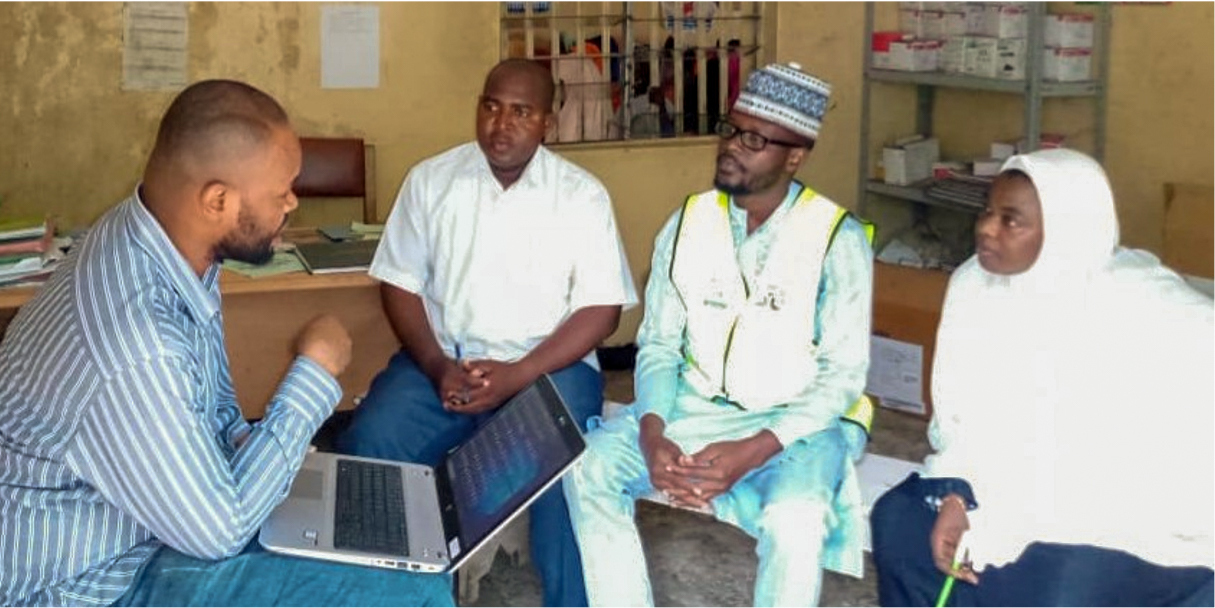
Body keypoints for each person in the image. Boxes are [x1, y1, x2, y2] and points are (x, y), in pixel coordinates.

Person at [0, 80, 454, 607]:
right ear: (217, 200)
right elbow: (217, 534)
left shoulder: (155, 243)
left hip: (135, 539)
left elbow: (215, 410)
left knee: (393, 547)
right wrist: (313, 373)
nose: (292, 202)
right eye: (280, 191)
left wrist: (248, 445)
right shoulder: (137, 348)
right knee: (408, 590)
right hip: (84, 588)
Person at [563, 62, 875, 607]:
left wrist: (752, 450)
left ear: (795, 156)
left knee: (795, 518)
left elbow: (842, 377)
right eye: (732, 129)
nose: (731, 147)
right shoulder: (687, 222)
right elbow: (659, 344)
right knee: (587, 466)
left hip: (792, 424)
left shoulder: (836, 240)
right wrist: (654, 433)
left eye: (755, 138)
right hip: (690, 409)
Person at [334, 59, 638, 607]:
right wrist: (435, 366)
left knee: (566, 473)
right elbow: (399, 285)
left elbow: (601, 311)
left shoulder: (581, 196)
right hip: (445, 364)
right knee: (370, 448)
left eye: (521, 111)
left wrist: (518, 375)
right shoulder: (432, 180)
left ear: (548, 120)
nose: (501, 124)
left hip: (548, 369)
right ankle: (396, 596)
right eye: (491, 106)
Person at [870, 148, 1214, 607]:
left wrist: (1005, 524)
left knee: (1055, 586)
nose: (987, 229)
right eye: (988, 212)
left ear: (1068, 230)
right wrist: (957, 495)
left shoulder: (1149, 310)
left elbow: (1136, 469)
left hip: (1124, 514)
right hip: (1002, 484)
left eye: (1012, 220)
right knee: (898, 520)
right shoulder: (975, 285)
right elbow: (959, 418)